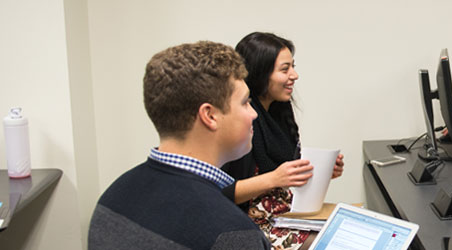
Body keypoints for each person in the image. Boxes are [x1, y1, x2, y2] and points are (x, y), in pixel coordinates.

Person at [89, 41, 271, 249]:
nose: (254, 113)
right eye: (245, 102)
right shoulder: (233, 234)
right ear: (210, 115)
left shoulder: (114, 195)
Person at [220, 32, 345, 249]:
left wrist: (322, 171)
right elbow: (222, 194)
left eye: (293, 67)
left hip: (285, 215)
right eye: (285, 69)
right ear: (261, 73)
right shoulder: (239, 122)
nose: (294, 75)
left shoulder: (278, 113)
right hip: (250, 225)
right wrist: (275, 178)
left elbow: (287, 177)